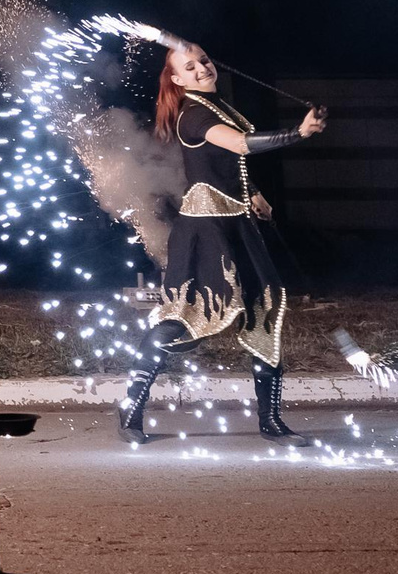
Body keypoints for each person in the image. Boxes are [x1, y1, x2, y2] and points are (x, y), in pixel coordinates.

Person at [121, 40, 325, 446]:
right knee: (184, 320)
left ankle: (271, 421)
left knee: (264, 310)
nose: (202, 68)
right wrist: (297, 133)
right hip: (204, 232)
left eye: (204, 60)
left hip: (237, 224)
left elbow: (228, 164)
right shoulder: (194, 113)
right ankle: (131, 409)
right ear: (177, 79)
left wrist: (253, 193)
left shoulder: (219, 106)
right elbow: (239, 145)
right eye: (189, 67)